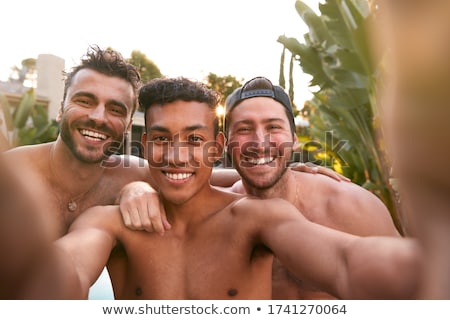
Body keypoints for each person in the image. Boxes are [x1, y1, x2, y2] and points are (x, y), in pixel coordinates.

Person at [49, 77, 420, 300]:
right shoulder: (111, 223)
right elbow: (67, 268)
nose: (177, 156)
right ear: (144, 146)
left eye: (195, 139)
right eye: (162, 139)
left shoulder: (256, 217)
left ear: (215, 146)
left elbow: (347, 263)